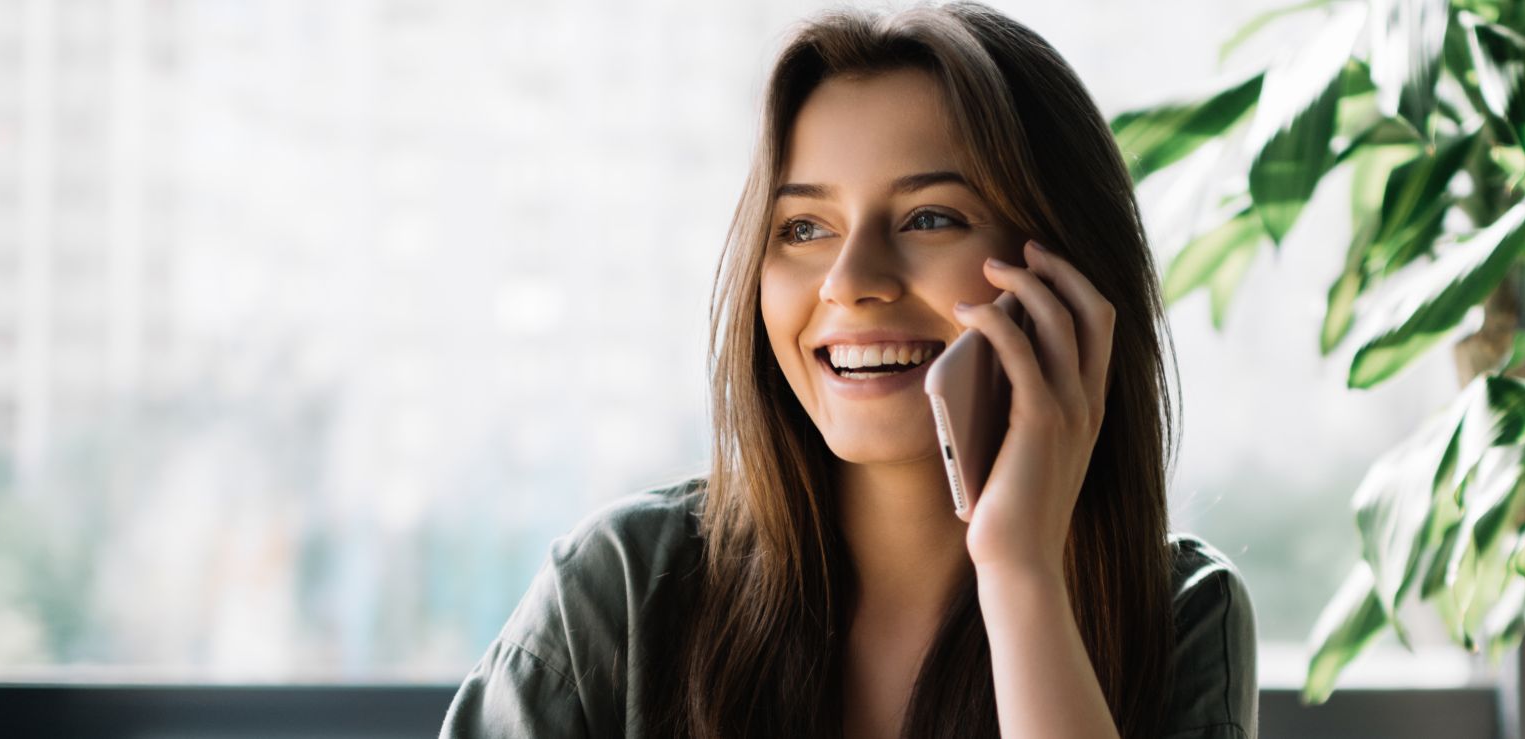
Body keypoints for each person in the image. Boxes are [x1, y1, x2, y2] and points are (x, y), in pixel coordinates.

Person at [439, 3, 1255, 737]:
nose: (849, 279)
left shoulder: (1182, 617)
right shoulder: (617, 592)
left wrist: (1020, 570)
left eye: (930, 217)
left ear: (1064, 280)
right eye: (803, 227)